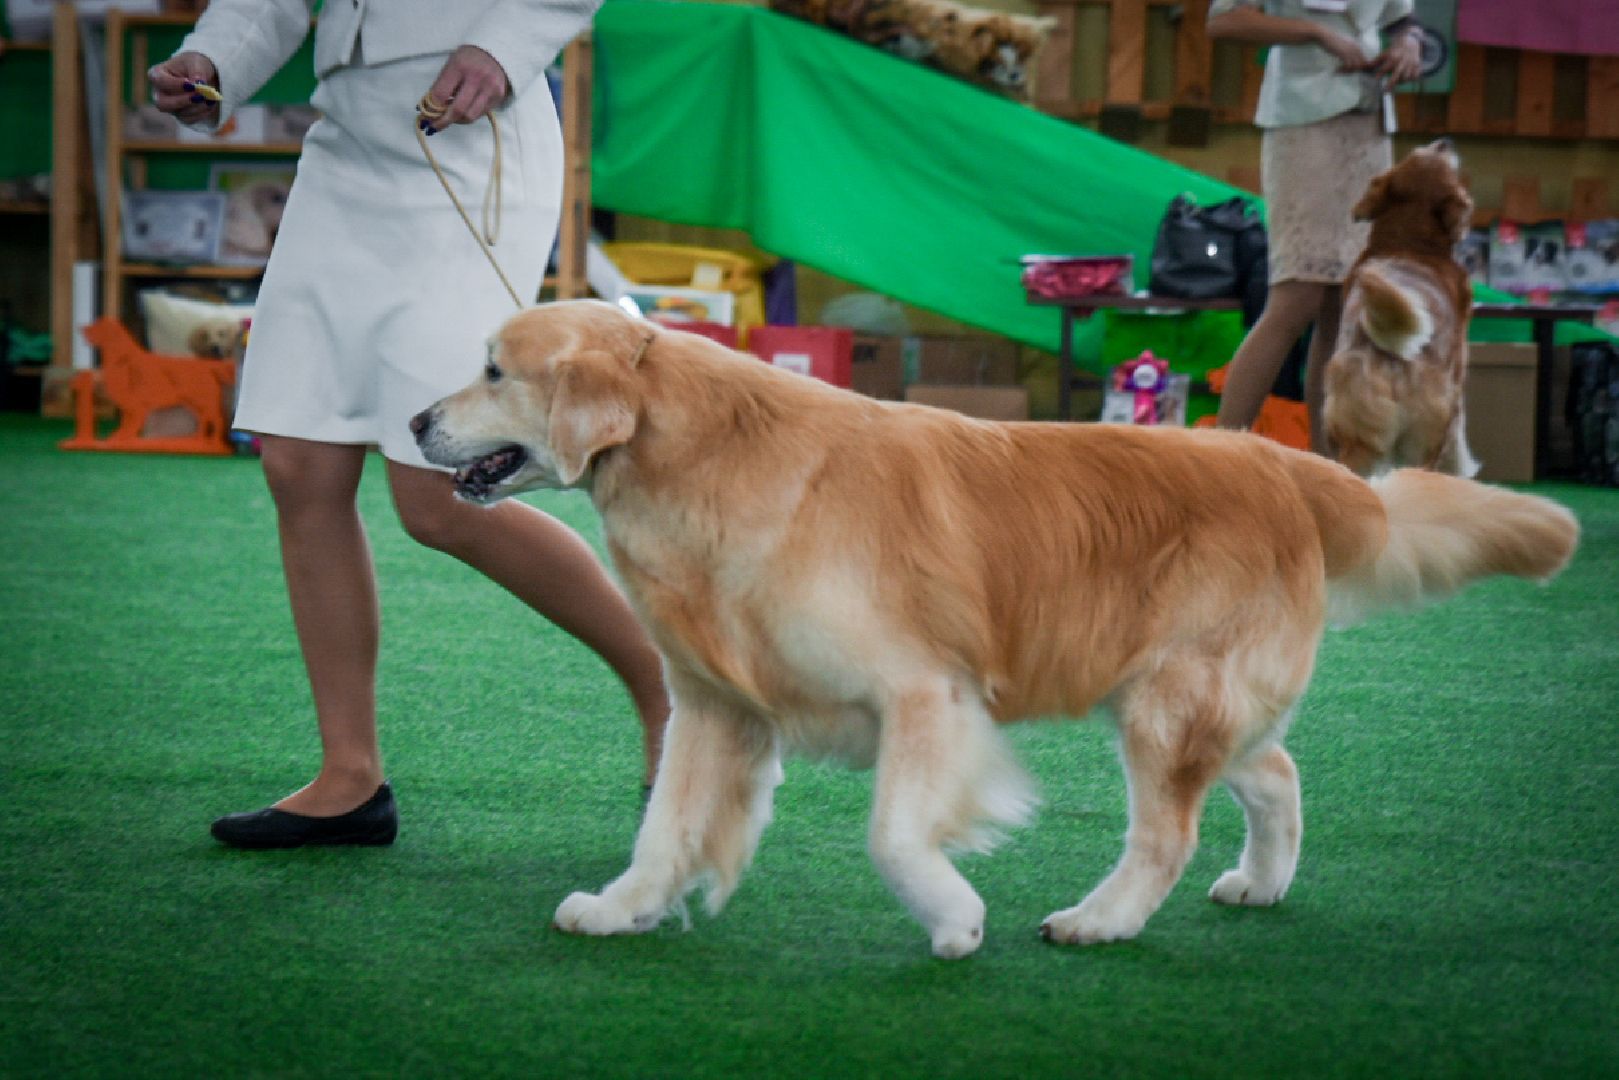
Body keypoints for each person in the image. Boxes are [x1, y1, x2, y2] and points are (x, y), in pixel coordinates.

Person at [148, 0, 669, 848]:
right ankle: (349, 778)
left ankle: (669, 686)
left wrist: (503, 49)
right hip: (341, 152)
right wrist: (211, 62)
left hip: (472, 141)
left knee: (438, 496)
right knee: (296, 463)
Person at [1207, 0, 1425, 452]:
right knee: (1296, 296)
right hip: (1302, 122)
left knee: (1343, 306)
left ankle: (1325, 468)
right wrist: (1316, 32)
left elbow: (1403, 15)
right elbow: (1225, 20)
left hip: (1369, 123)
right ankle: (1221, 455)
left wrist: (1409, 41)